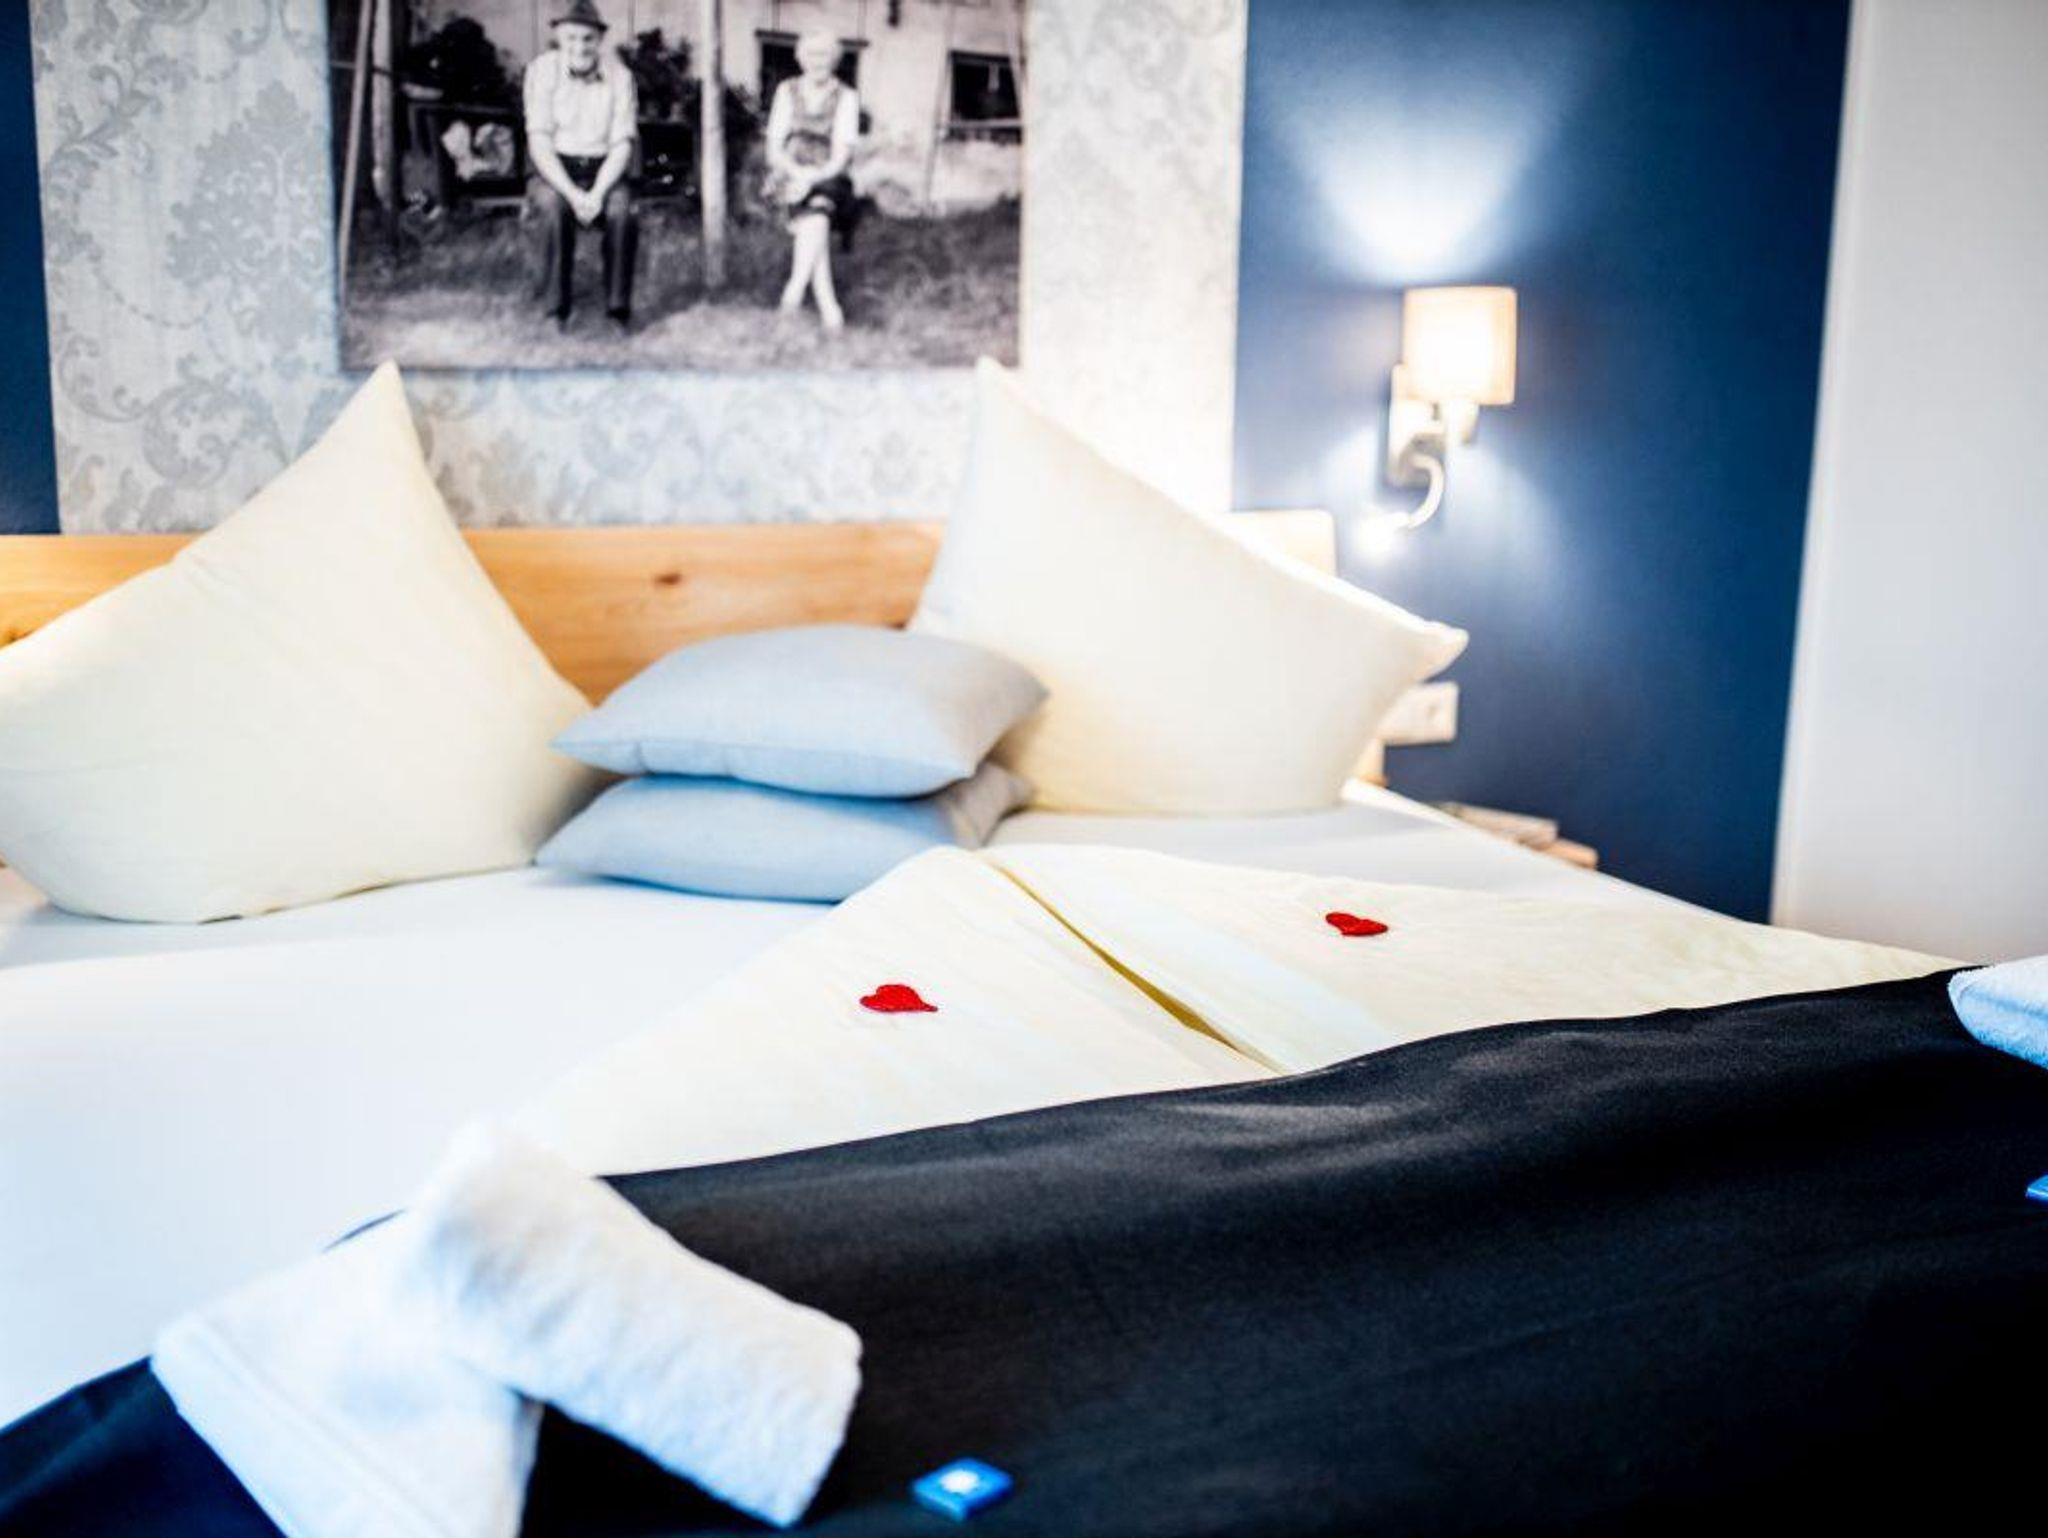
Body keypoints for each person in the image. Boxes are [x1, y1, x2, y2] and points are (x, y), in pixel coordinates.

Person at [523, 0, 638, 330]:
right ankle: (555, 311)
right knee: (553, 207)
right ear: (559, 38)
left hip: (605, 170)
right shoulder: (541, 71)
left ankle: (618, 312)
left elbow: (622, 145)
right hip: (554, 169)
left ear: (600, 40)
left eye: (588, 38)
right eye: (571, 38)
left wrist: (598, 192)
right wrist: (574, 195)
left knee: (622, 211)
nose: (580, 47)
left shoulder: (621, 77)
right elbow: (539, 142)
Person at [763, 28, 861, 332]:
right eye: (812, 54)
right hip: (789, 172)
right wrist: (796, 173)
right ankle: (829, 307)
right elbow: (774, 148)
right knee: (815, 224)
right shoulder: (787, 90)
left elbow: (842, 156)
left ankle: (792, 294)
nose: (818, 61)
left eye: (825, 55)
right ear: (801, 58)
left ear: (835, 60)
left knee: (816, 217)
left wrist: (814, 176)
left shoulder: (847, 97)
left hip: (829, 175)